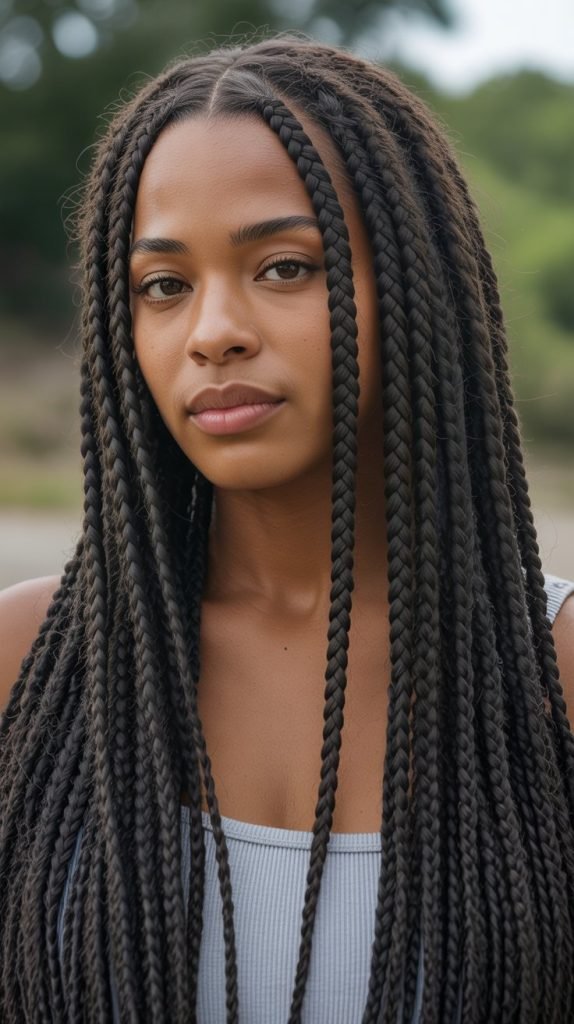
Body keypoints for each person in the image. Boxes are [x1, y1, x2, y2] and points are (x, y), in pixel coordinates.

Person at [0, 32, 573, 1024]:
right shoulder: (26, 665)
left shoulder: (550, 676)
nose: (213, 329)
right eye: (163, 286)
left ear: (414, 286)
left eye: (284, 267)